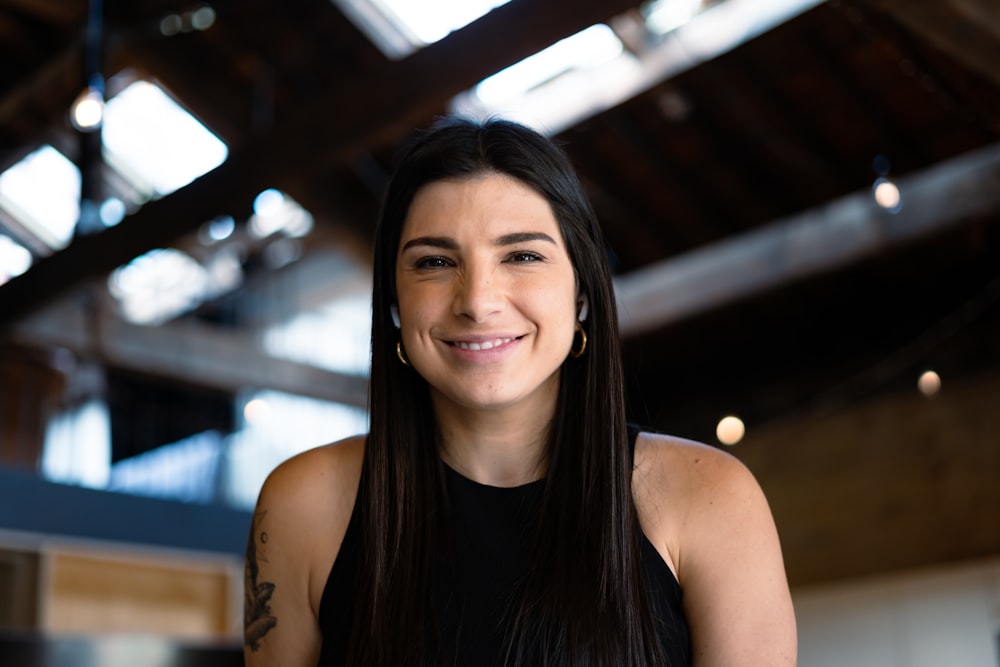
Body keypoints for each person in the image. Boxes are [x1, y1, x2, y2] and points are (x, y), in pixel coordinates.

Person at [243, 116, 797, 666]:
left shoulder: (708, 497)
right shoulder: (303, 506)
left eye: (522, 256)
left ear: (582, 294)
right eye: (434, 262)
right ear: (394, 303)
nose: (478, 301)